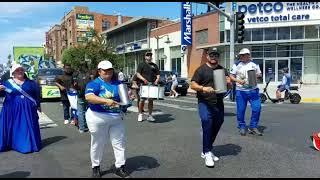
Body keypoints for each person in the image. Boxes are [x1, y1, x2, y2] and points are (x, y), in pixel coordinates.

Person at [85, 60, 130, 178]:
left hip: (116, 117)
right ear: (99, 71)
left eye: (110, 70)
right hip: (97, 117)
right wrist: (105, 100)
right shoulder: (94, 84)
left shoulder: (118, 83)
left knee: (119, 143)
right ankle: (96, 167)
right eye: (105, 70)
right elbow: (89, 97)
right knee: (97, 144)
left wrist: (128, 97)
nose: (108, 72)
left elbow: (125, 97)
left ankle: (120, 166)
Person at [191, 49, 230, 168]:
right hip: (205, 102)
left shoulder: (222, 69)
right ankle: (207, 152)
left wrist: (229, 83)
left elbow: (228, 83)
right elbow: (193, 85)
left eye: (216, 55)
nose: (214, 57)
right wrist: (203, 88)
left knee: (218, 123)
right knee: (207, 122)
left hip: (218, 101)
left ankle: (206, 149)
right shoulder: (201, 70)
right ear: (207, 56)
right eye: (211, 55)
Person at [0, 64, 42, 154]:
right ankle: (12, 144)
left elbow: (37, 94)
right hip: (11, 109)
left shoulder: (31, 83)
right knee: (13, 126)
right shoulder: (6, 83)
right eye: (17, 70)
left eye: (21, 70)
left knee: (25, 126)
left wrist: (38, 105)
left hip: (28, 109)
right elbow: (2, 95)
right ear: (13, 72)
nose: (20, 72)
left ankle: (25, 145)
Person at [229, 48, 263, 136]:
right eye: (241, 55)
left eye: (244, 55)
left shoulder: (254, 64)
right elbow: (231, 76)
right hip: (241, 91)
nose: (242, 56)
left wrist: (257, 75)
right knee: (241, 110)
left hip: (253, 90)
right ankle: (242, 127)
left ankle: (253, 127)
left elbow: (260, 74)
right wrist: (238, 81)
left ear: (248, 55)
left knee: (257, 108)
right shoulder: (236, 65)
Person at [136, 52, 160, 122]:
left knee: (150, 100)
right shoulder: (141, 64)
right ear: (145, 57)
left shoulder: (154, 65)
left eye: (150, 55)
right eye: (148, 55)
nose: (149, 56)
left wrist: (157, 80)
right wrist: (143, 79)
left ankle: (150, 115)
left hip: (152, 84)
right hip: (143, 84)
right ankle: (140, 114)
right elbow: (138, 74)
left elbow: (158, 74)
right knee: (142, 100)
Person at [73, 63, 91, 133]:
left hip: (80, 95)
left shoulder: (77, 75)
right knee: (90, 111)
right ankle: (90, 126)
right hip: (89, 95)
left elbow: (74, 85)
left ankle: (82, 128)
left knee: (80, 112)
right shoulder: (90, 75)